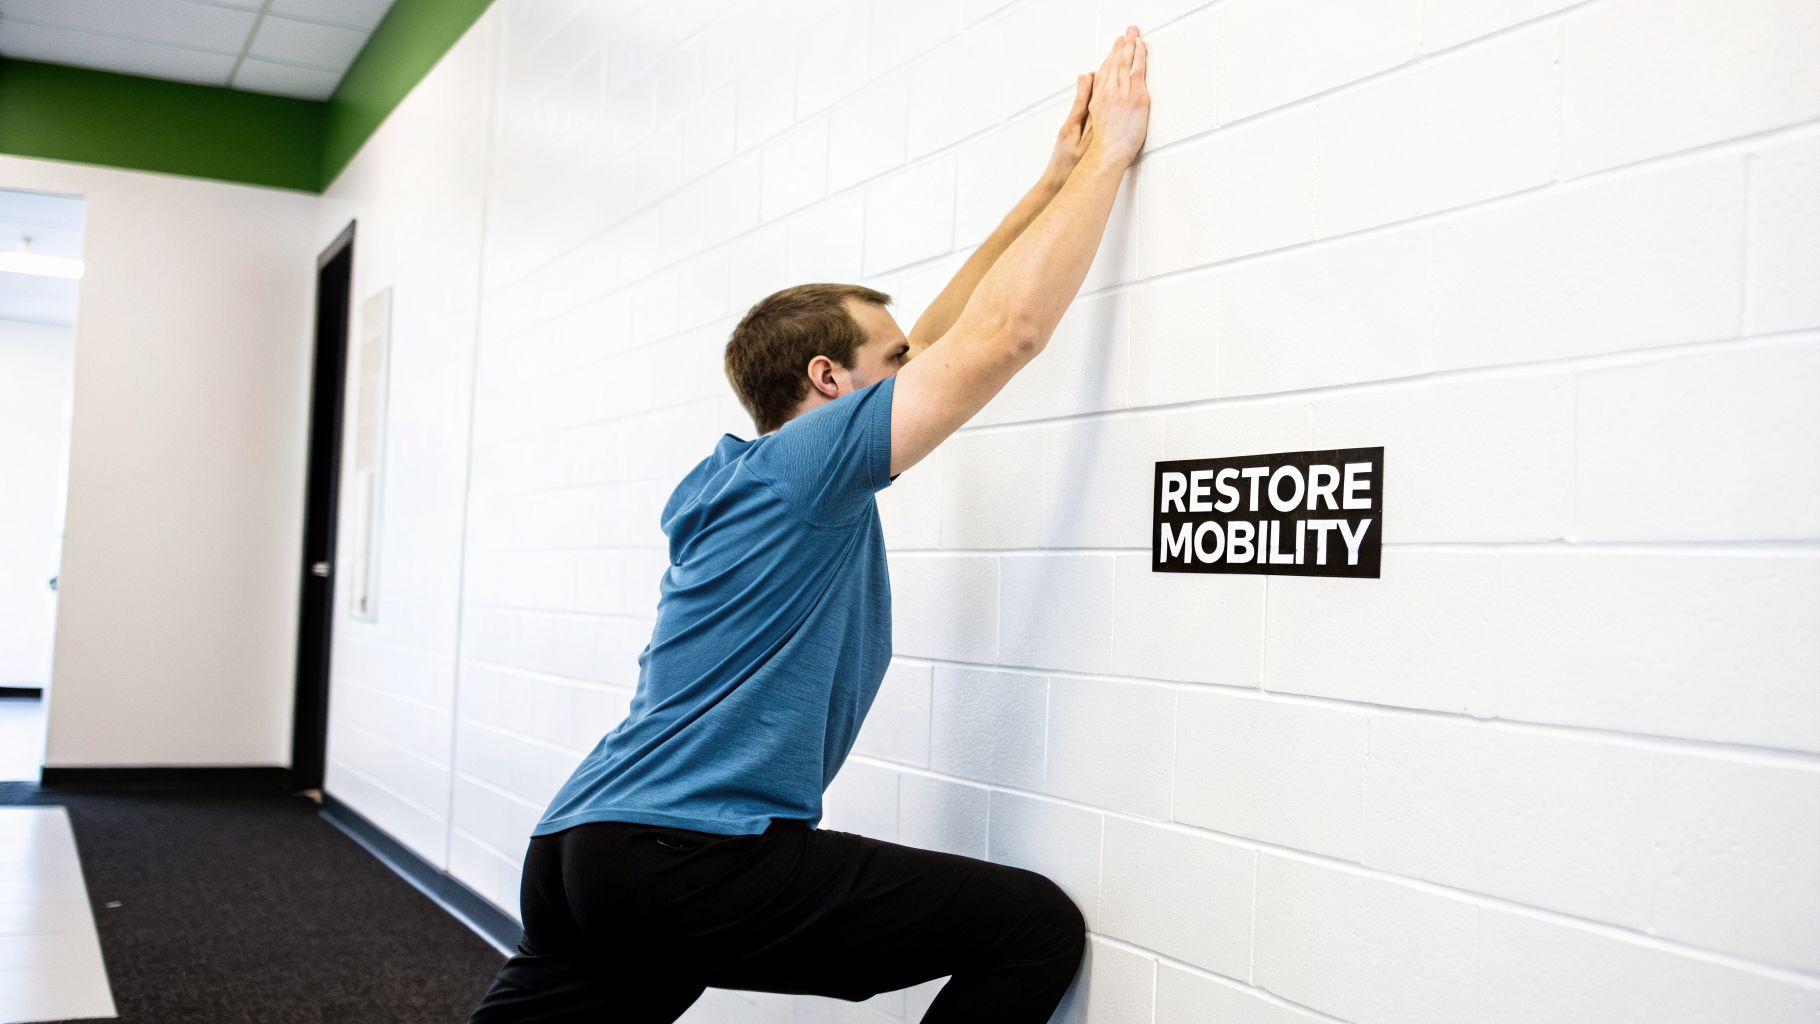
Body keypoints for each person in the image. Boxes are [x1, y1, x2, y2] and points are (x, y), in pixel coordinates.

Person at [468, 24, 1150, 1024]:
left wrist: (1043, 188)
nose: (908, 373)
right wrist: (1108, 158)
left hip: (582, 842)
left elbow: (940, 338)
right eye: (885, 361)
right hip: (682, 854)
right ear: (826, 381)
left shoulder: (743, 474)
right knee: (1028, 925)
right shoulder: (805, 467)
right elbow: (1004, 333)